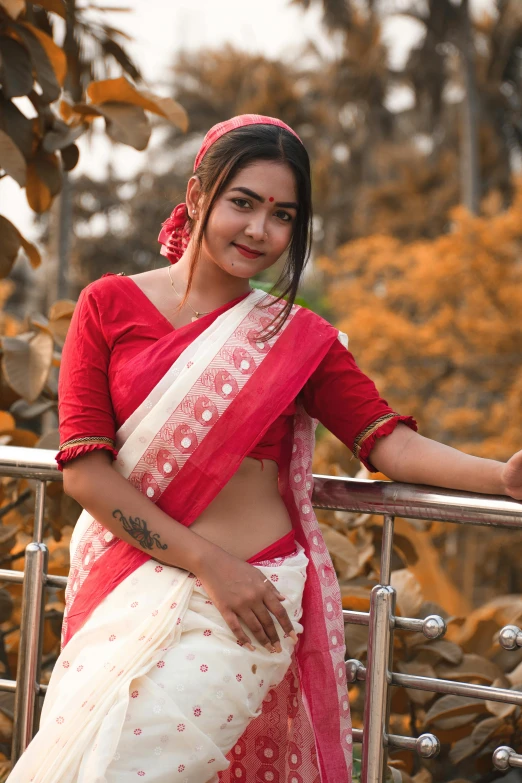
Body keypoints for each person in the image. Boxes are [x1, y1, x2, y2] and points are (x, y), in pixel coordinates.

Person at [8, 114, 522, 783]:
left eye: (282, 215)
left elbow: (388, 443)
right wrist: (206, 561)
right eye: (242, 203)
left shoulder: (296, 337)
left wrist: (503, 476)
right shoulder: (107, 306)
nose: (259, 229)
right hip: (135, 584)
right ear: (198, 196)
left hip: (250, 602)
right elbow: (84, 471)